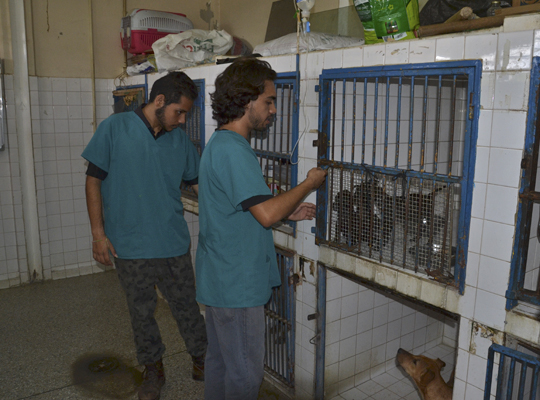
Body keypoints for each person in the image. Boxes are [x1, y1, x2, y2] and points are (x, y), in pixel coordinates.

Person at [196, 57, 327, 400]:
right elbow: (266, 214)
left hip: (220, 279)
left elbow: (248, 209)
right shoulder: (235, 151)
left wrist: (288, 210)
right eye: (269, 101)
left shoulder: (220, 144)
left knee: (221, 363)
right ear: (245, 100)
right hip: (236, 286)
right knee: (244, 376)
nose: (273, 110)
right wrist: (308, 184)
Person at [82, 72, 207, 400]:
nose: (182, 121)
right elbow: (93, 180)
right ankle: (153, 369)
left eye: (186, 115)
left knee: (186, 305)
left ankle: (201, 357)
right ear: (160, 101)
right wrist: (98, 235)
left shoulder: (180, 141)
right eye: (179, 112)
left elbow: (199, 185)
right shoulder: (114, 128)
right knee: (141, 311)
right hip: (130, 244)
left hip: (172, 242)